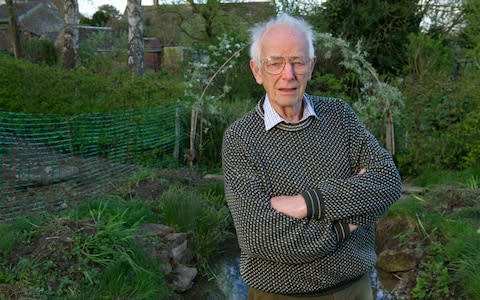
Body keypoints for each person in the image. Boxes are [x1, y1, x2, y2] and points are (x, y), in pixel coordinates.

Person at [221, 13, 402, 300]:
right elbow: (260, 237)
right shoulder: (240, 137)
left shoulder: (340, 116)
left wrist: (307, 203)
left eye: (298, 62)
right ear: (257, 71)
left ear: (312, 66)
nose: (288, 75)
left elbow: (388, 181)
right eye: (275, 63)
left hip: (353, 290)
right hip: (277, 295)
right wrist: (347, 223)